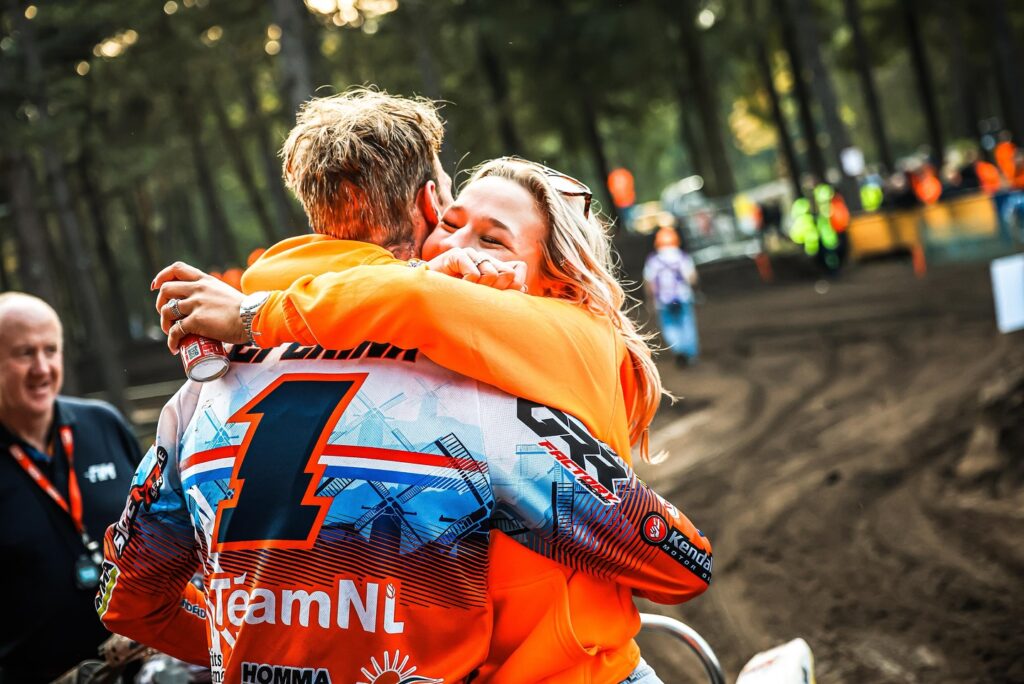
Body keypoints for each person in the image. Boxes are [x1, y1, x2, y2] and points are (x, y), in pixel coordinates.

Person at [110, 90, 711, 684]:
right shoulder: (479, 396)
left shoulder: (205, 389)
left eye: (492, 239)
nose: (464, 253)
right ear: (430, 204)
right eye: (452, 221)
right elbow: (675, 565)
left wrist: (242, 647)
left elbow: (129, 600)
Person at [0, 292, 142, 683]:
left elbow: (162, 527)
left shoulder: (103, 423)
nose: (42, 368)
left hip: (148, 667)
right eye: (25, 353)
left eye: (51, 350)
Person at [643, 226, 700, 366]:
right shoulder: (682, 256)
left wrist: (650, 300)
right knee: (686, 325)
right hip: (683, 297)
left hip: (663, 300)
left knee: (670, 327)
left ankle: (678, 349)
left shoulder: (653, 260)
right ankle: (690, 354)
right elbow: (692, 278)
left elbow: (649, 283)